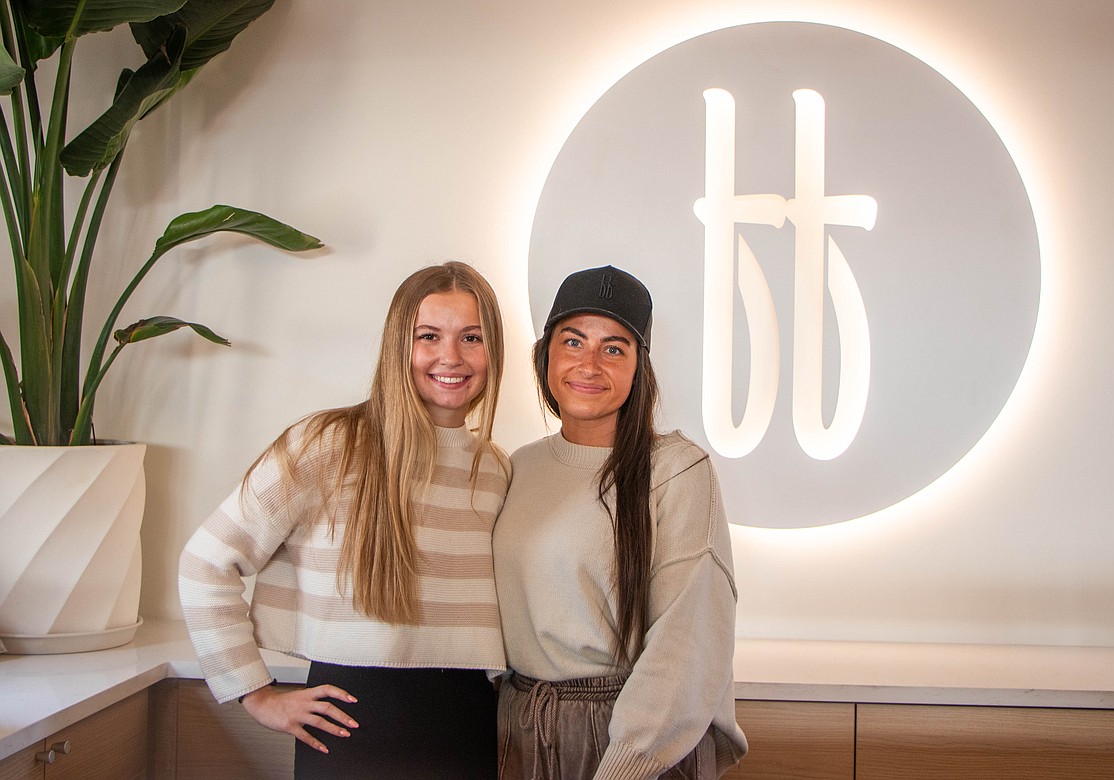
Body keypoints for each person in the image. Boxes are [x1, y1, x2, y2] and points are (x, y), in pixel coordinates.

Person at [179, 261, 509, 779]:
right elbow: (205, 562)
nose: (452, 356)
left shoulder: (494, 469)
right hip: (353, 723)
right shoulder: (326, 444)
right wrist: (254, 693)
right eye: (429, 336)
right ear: (398, 345)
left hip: (470, 722)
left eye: (472, 337)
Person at [494, 265, 748, 779]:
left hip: (626, 739)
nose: (589, 364)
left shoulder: (676, 470)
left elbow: (685, 644)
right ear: (546, 356)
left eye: (614, 348)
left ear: (639, 369)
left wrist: (626, 767)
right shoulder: (517, 466)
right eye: (573, 342)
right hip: (521, 730)